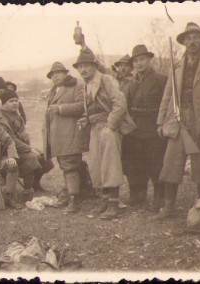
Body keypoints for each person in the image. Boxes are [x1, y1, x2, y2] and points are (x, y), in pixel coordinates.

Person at [155, 23, 200, 220]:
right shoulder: (176, 65)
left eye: (195, 37)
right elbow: (167, 96)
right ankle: (168, 207)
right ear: (184, 42)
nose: (192, 41)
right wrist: (161, 121)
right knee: (171, 162)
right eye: (188, 38)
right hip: (178, 119)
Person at [74, 50, 136, 220]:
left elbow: (120, 103)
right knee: (96, 165)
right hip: (95, 127)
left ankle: (114, 204)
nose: (83, 70)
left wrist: (111, 125)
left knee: (110, 164)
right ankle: (105, 200)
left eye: (86, 65)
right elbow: (92, 108)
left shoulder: (106, 79)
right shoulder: (86, 84)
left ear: (94, 66)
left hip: (109, 126)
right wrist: (85, 120)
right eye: (80, 67)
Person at [122, 45, 168, 212]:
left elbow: (167, 104)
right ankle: (138, 195)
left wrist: (161, 124)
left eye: (142, 59)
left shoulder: (161, 80)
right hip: (134, 129)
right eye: (136, 61)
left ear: (149, 60)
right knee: (135, 164)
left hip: (153, 127)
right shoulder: (130, 83)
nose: (139, 63)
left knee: (155, 163)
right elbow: (125, 105)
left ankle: (159, 197)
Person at [0, 89, 54, 201]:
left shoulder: (16, 115)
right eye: (11, 101)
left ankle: (35, 184)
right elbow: (9, 140)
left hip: (21, 148)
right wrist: (29, 149)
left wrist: (29, 147)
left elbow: (22, 134)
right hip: (7, 152)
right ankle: (27, 191)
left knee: (45, 157)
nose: (15, 103)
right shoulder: (1, 118)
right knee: (31, 158)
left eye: (16, 100)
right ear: (3, 104)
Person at [43, 62, 85, 214]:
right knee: (66, 167)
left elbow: (82, 106)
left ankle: (73, 200)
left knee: (70, 167)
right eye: (52, 74)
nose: (55, 76)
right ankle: (70, 195)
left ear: (66, 73)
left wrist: (61, 108)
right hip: (58, 138)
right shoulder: (54, 90)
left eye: (58, 73)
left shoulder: (76, 87)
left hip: (70, 135)